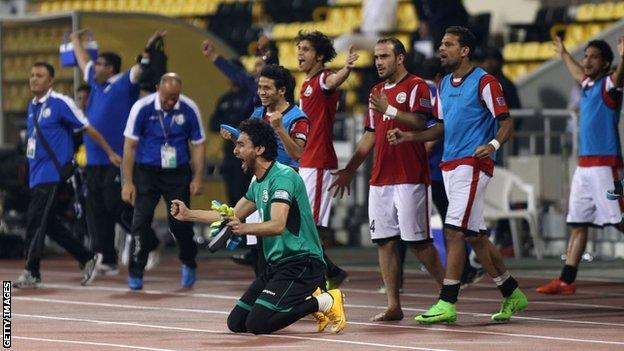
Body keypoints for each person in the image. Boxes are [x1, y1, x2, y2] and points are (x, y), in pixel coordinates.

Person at [389, 26, 527, 324]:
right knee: (476, 236)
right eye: (441, 43)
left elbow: (506, 123)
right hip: (450, 167)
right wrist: (410, 137)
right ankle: (512, 291)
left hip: (472, 165)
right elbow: (441, 127)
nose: (441, 48)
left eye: (448, 44)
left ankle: (447, 300)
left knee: (454, 232)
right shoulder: (445, 86)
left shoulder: (485, 83)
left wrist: (491, 145)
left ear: (464, 50)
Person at [170, 118, 347, 334]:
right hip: (276, 266)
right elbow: (232, 214)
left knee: (258, 324)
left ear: (260, 149)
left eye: (241, 145)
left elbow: (278, 224)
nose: (235, 151)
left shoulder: (283, 177)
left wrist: (242, 229)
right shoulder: (258, 182)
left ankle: (325, 301)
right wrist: (188, 214)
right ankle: (312, 302)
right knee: (236, 323)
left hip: (301, 263)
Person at [330, 37, 444, 321]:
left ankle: (448, 295)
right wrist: (350, 169)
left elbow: (423, 122)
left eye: (384, 56)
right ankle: (394, 305)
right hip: (380, 178)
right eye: (377, 57)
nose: (378, 62)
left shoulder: (417, 86)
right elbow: (369, 135)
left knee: (419, 244)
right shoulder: (376, 91)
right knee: (384, 242)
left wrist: (390, 110)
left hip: (410, 176)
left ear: (400, 58)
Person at [13, 62, 121, 288]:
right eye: (32, 75)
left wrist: (110, 152)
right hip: (37, 175)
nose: (34, 79)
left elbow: (87, 127)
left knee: (35, 221)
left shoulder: (61, 103)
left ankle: (31, 271)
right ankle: (87, 257)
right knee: (49, 224)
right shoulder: (32, 107)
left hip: (53, 174)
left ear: (50, 81)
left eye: (39, 75)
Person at [70, 29, 165, 274]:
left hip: (117, 157)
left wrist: (150, 47)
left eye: (99, 63)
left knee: (116, 206)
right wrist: (74, 40)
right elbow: (82, 61)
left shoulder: (125, 82)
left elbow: (140, 68)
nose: (93, 66)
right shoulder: (94, 81)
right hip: (93, 159)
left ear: (110, 68)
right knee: (96, 209)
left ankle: (151, 242)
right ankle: (108, 258)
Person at [536, 37, 624, 295]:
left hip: (604, 166)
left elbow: (620, 76)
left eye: (593, 57)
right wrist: (564, 53)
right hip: (584, 167)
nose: (586, 61)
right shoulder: (587, 84)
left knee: (619, 220)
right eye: (585, 55)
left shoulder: (610, 85)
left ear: (607, 64)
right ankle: (566, 280)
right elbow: (577, 71)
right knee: (579, 222)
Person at [122, 73, 205, 290]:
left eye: (175, 97)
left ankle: (188, 261)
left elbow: (198, 144)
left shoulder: (189, 108)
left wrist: (197, 177)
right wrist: (127, 182)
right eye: (167, 97)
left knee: (179, 223)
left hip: (177, 173)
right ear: (158, 87)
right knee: (140, 222)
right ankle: (136, 271)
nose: (171, 101)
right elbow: (129, 146)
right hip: (146, 172)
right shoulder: (142, 107)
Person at [296, 30, 359, 289]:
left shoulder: (322, 79)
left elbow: (333, 81)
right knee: (303, 224)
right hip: (307, 161)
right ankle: (328, 273)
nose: (300, 53)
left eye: (306, 49)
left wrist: (346, 68)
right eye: (299, 48)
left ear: (320, 56)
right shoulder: (305, 84)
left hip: (319, 162)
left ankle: (318, 281)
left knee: (311, 226)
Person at [333, 0, 398, 53]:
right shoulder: (369, 1)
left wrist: (364, 30)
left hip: (381, 39)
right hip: (367, 35)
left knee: (344, 42)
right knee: (339, 42)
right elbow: (369, 23)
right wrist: (361, 29)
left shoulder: (386, 2)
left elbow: (386, 30)